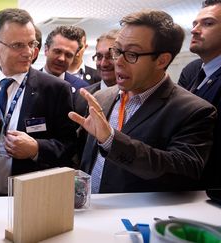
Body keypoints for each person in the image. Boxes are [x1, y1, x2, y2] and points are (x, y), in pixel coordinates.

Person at [68, 9, 216, 193]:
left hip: (136, 218)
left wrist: (111, 141)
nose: (118, 62)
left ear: (161, 60)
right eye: (117, 51)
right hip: (90, 210)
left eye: (131, 54)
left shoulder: (193, 111)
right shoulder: (101, 97)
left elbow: (183, 172)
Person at [0, 8, 77, 195]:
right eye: (18, 45)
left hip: (32, 195)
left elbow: (69, 145)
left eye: (31, 44)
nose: (28, 53)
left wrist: (36, 149)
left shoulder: (55, 89)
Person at [178, 0, 221, 189]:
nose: (195, 30)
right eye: (195, 23)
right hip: (185, 183)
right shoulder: (192, 70)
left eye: (208, 23)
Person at [74, 29, 119, 116]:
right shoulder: (82, 96)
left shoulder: (135, 96)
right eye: (99, 56)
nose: (103, 64)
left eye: (110, 56)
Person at [41, 25, 88, 94]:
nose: (62, 59)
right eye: (57, 51)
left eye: (68, 55)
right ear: (46, 50)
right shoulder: (27, 82)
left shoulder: (82, 89)